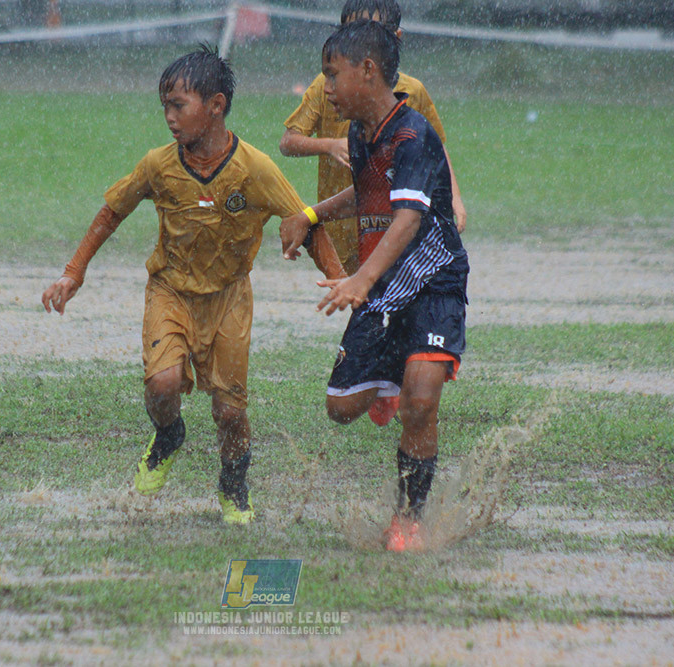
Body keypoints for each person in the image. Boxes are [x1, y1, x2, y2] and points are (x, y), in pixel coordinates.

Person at [42, 46, 344, 526]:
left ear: (216, 105)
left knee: (229, 411)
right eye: (164, 106)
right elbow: (111, 212)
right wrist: (73, 271)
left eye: (178, 106)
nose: (169, 118)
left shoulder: (256, 169)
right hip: (171, 292)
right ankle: (168, 434)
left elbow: (305, 222)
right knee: (162, 386)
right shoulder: (158, 165)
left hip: (228, 299)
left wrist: (339, 278)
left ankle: (233, 481)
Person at [280, 20, 469, 551]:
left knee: (422, 401)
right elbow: (367, 196)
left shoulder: (413, 134)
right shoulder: (362, 134)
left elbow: (408, 216)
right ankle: (389, 383)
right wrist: (311, 214)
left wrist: (360, 279)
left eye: (332, 76)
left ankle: (408, 518)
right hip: (382, 285)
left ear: (368, 71)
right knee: (340, 408)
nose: (328, 89)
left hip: (431, 280)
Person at [279, 0, 465, 275]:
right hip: (343, 221)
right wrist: (328, 146)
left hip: (394, 222)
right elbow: (288, 142)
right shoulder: (329, 88)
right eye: (352, 32)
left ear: (395, 39)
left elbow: (434, 149)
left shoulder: (412, 95)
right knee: (360, 297)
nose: (361, 40)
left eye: (372, 31)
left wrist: (455, 197)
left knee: (385, 287)